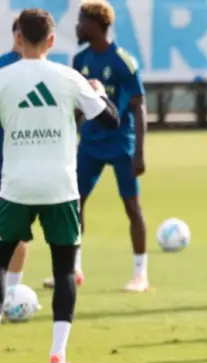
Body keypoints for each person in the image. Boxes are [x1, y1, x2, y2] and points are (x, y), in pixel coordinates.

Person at [0, 8, 120, 363]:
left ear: (18, 38)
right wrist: (97, 92)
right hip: (60, 187)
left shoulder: (3, 78)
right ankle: (57, 355)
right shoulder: (70, 78)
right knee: (65, 269)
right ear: (51, 41)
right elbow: (111, 120)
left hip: (16, 186)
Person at [42, 0, 149, 292]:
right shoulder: (81, 60)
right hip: (90, 143)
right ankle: (73, 269)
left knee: (131, 205)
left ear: (96, 24)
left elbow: (139, 107)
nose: (77, 26)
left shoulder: (123, 61)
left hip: (120, 144)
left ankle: (141, 274)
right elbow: (78, 106)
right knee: (75, 204)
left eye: (81, 21)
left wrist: (140, 152)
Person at [0, 19, 30, 290]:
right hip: (11, 162)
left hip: (21, 164)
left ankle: (12, 291)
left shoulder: (43, 71)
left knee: (17, 232)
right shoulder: (2, 67)